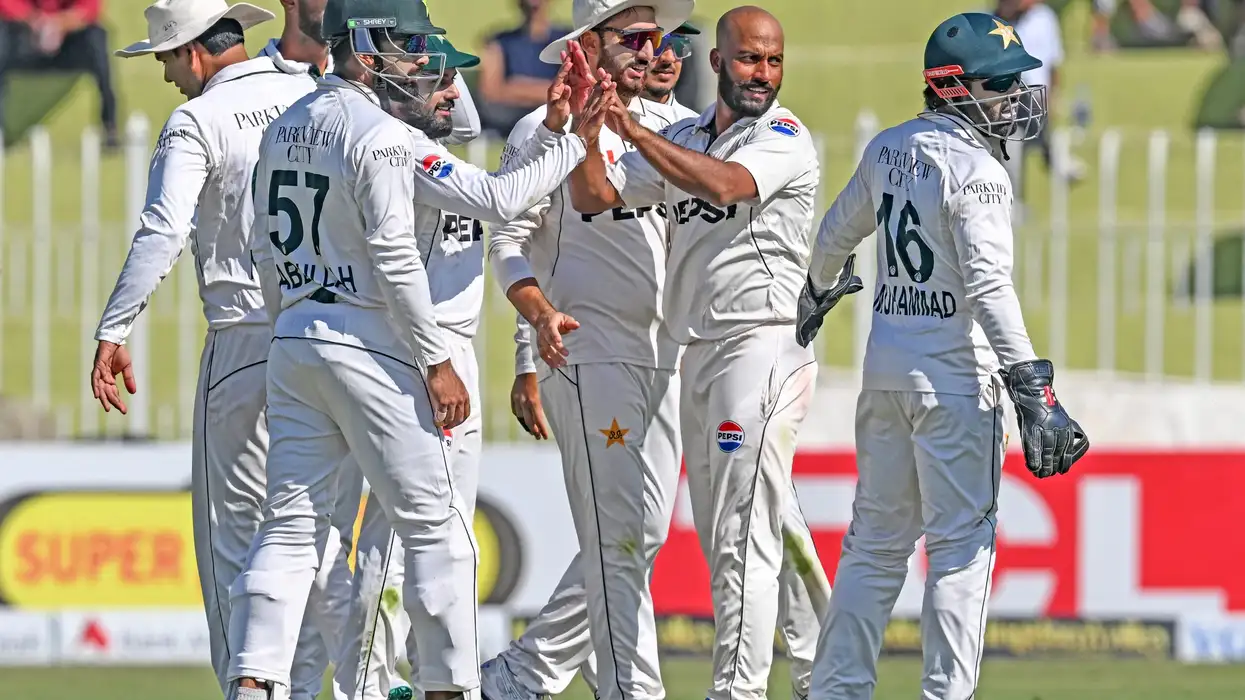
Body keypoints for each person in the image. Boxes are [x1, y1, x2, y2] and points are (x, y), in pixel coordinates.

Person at [226, 0, 608, 694]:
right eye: (407, 49)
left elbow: (261, 244)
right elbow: (458, 224)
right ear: (366, 52)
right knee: (436, 531)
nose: (424, 67)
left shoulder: (285, 127)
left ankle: (253, 684)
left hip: (296, 339)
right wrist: (435, 360)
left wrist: (290, 322)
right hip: (369, 346)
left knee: (288, 530)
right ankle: (448, 686)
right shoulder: (384, 137)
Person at [797, 13, 1088, 699]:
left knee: (873, 549)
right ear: (954, 87)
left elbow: (835, 232)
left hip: (886, 376)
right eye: (1001, 87)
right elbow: (988, 287)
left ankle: (838, 690)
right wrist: (1033, 388)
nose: (1017, 100)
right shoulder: (979, 172)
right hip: (956, 384)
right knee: (960, 550)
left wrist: (814, 291)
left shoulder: (889, 147)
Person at [565, 7, 831, 700]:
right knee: (735, 531)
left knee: (741, 537)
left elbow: (722, 186)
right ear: (716, 62)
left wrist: (630, 132)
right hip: (701, 349)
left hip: (763, 344)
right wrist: (589, 137)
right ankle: (825, 674)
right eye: (748, 60)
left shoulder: (782, 135)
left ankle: (739, 692)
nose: (762, 75)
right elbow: (595, 199)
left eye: (773, 61)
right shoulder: (683, 134)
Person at [87, 0, 326, 697]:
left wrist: (114, 328)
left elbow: (162, 230)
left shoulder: (198, 118)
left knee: (237, 543)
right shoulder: (308, 93)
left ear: (193, 54)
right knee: (311, 537)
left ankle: (248, 689)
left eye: (166, 61)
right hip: (327, 335)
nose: (167, 78)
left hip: (245, 338)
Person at [480, 0, 692, 698]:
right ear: (589, 46)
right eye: (630, 38)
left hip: (664, 357)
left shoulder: (673, 127)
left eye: (653, 37)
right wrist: (528, 335)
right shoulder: (541, 131)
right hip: (585, 354)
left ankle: (524, 672)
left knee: (640, 536)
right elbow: (510, 243)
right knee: (620, 536)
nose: (648, 50)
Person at [329, 35, 490, 700]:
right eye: (437, 83)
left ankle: (428, 680)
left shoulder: (431, 144)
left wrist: (429, 51)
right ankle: (367, 682)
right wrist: (567, 134)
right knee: (398, 537)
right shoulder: (404, 154)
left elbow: (468, 120)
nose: (453, 95)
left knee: (441, 533)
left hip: (451, 350)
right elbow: (504, 198)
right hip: (423, 352)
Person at [0, 0, 118, 145]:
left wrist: (61, 23)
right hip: (26, 34)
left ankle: (110, 128)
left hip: (69, 38)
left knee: (97, 39)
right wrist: (33, 19)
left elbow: (91, 7)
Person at [478, 0, 576, 136]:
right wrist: (550, 91)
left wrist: (514, 86)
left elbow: (574, 91)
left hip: (557, 117)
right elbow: (490, 92)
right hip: (509, 120)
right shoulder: (498, 41)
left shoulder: (569, 39)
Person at [642, 21, 697, 109]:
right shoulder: (613, 118)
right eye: (656, 44)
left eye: (679, 44)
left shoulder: (696, 121)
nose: (669, 58)